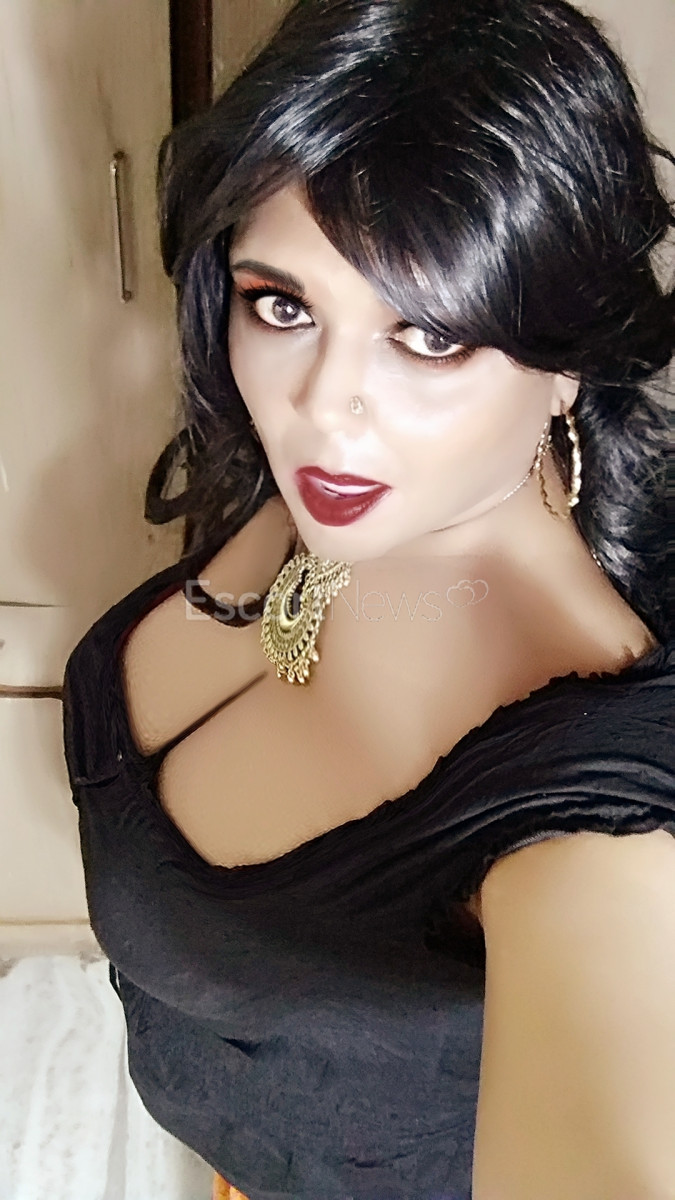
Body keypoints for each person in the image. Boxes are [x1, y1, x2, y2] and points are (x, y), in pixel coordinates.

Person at [61, 1, 675, 1196]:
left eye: (429, 337)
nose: (322, 406)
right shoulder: (349, 493)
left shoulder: (601, 849)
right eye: (283, 305)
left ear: (568, 357)